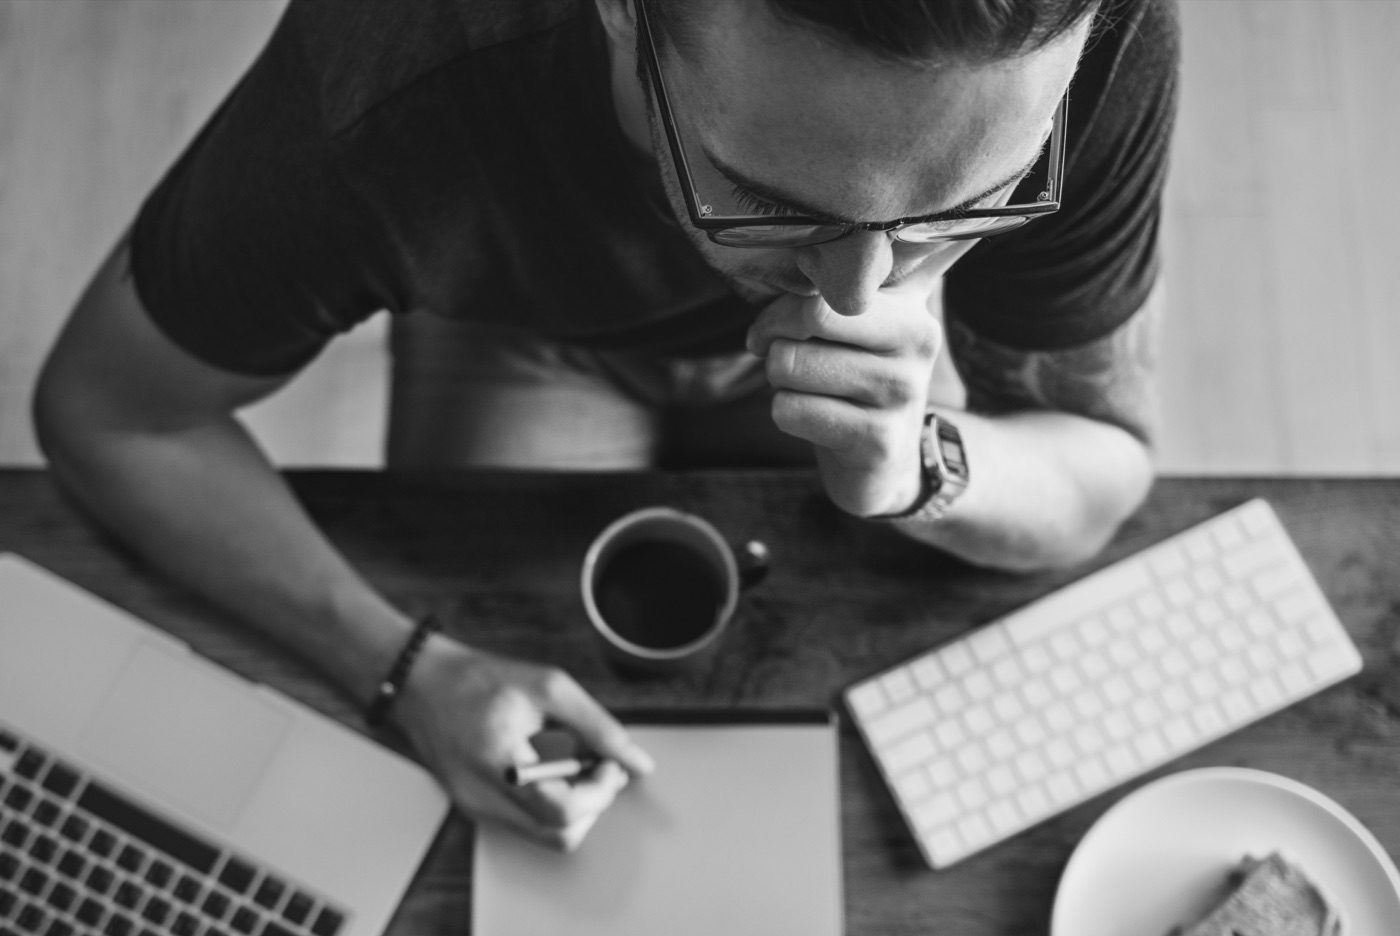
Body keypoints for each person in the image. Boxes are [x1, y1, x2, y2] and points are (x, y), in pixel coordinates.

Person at [32, 0, 1178, 850]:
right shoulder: (382, 81)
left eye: (967, 205)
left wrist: (922, 459)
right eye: (765, 199)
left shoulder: (1097, 35)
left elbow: (1104, 465)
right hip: (527, 336)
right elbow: (108, 415)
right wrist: (406, 669)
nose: (853, 300)